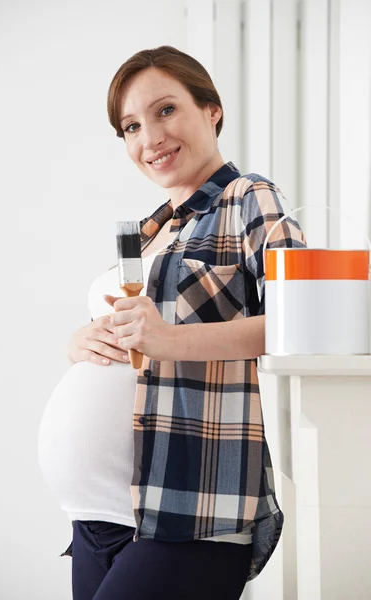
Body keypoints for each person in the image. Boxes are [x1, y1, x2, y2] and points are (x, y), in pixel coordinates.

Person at [38, 45, 307, 600]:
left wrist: (171, 340)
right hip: (100, 519)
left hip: (189, 510)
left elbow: (299, 322)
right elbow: (129, 344)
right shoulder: (147, 230)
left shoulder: (248, 199)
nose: (148, 138)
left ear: (211, 110)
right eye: (131, 126)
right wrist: (79, 342)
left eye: (165, 111)